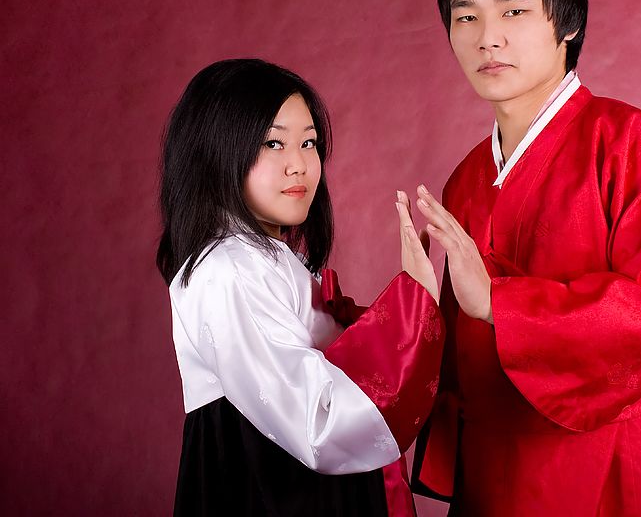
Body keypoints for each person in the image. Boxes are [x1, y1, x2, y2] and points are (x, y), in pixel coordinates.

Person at [409, 0, 641, 516]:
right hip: (492, 472)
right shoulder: (464, 181)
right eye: (466, 18)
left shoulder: (631, 143)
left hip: (605, 467)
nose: (487, 38)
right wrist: (409, 321)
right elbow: (454, 364)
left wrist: (500, 305)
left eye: (513, 11)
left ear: (566, 24)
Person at [156, 58, 444, 516]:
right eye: (273, 142)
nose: (299, 166)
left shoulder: (269, 258)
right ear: (215, 151)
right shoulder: (228, 268)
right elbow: (320, 424)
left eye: (308, 143)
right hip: (270, 491)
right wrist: (413, 309)